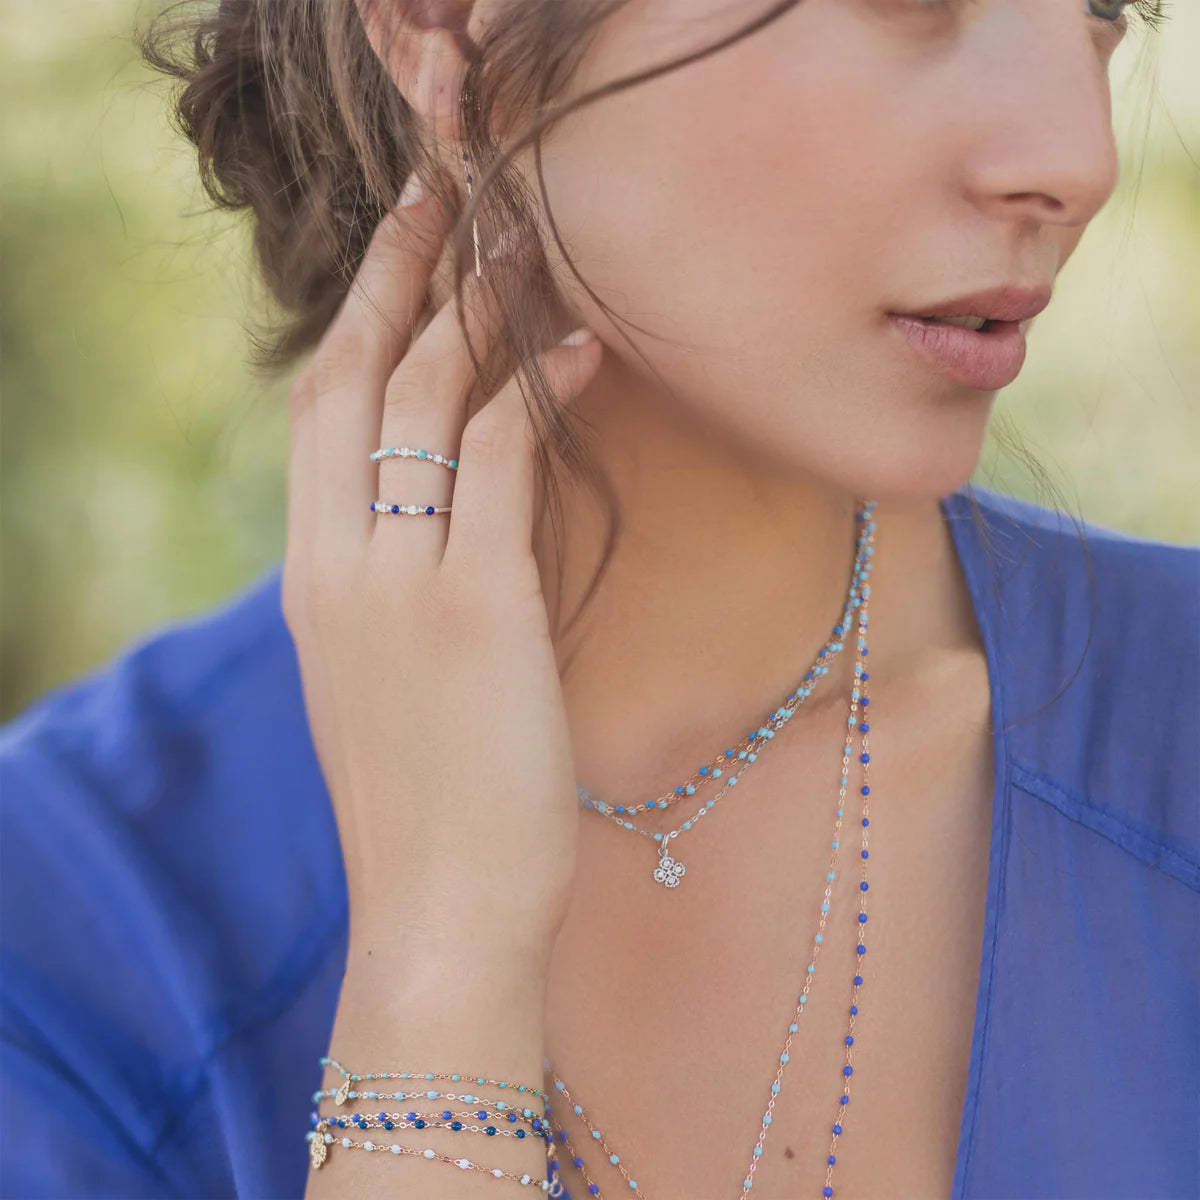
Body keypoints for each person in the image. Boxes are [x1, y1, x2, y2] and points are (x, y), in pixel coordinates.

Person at [1, 0, 1195, 1197]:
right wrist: (440, 982)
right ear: (443, 31)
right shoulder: (60, 947)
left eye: (1104, 9)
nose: (1076, 156)